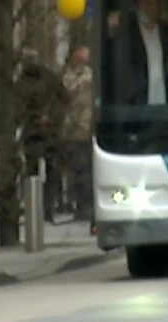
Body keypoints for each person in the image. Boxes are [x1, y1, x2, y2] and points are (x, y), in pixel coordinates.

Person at [16, 49, 70, 222]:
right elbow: (17, 108)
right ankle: (33, 209)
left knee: (53, 169)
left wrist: (52, 116)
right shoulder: (21, 82)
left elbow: (64, 98)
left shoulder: (51, 78)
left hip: (51, 131)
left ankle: (48, 209)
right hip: (32, 131)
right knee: (31, 171)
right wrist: (34, 117)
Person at [106, 0, 168, 105]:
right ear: (137, 6)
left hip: (163, 103)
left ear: (159, 6)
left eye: (152, 3)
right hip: (137, 105)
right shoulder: (128, 34)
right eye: (145, 3)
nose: (148, 8)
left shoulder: (165, 33)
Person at [62, 45, 93, 222]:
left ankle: (85, 206)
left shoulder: (87, 77)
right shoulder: (71, 77)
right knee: (78, 170)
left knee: (84, 170)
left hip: (84, 128)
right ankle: (82, 206)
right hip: (76, 130)